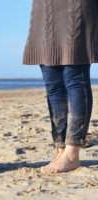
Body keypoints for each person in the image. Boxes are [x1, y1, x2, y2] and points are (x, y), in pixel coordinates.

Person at [23, 0, 98, 173]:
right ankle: (61, 149)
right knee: (53, 84)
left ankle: (72, 153)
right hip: (44, 9)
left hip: (75, 7)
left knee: (75, 79)